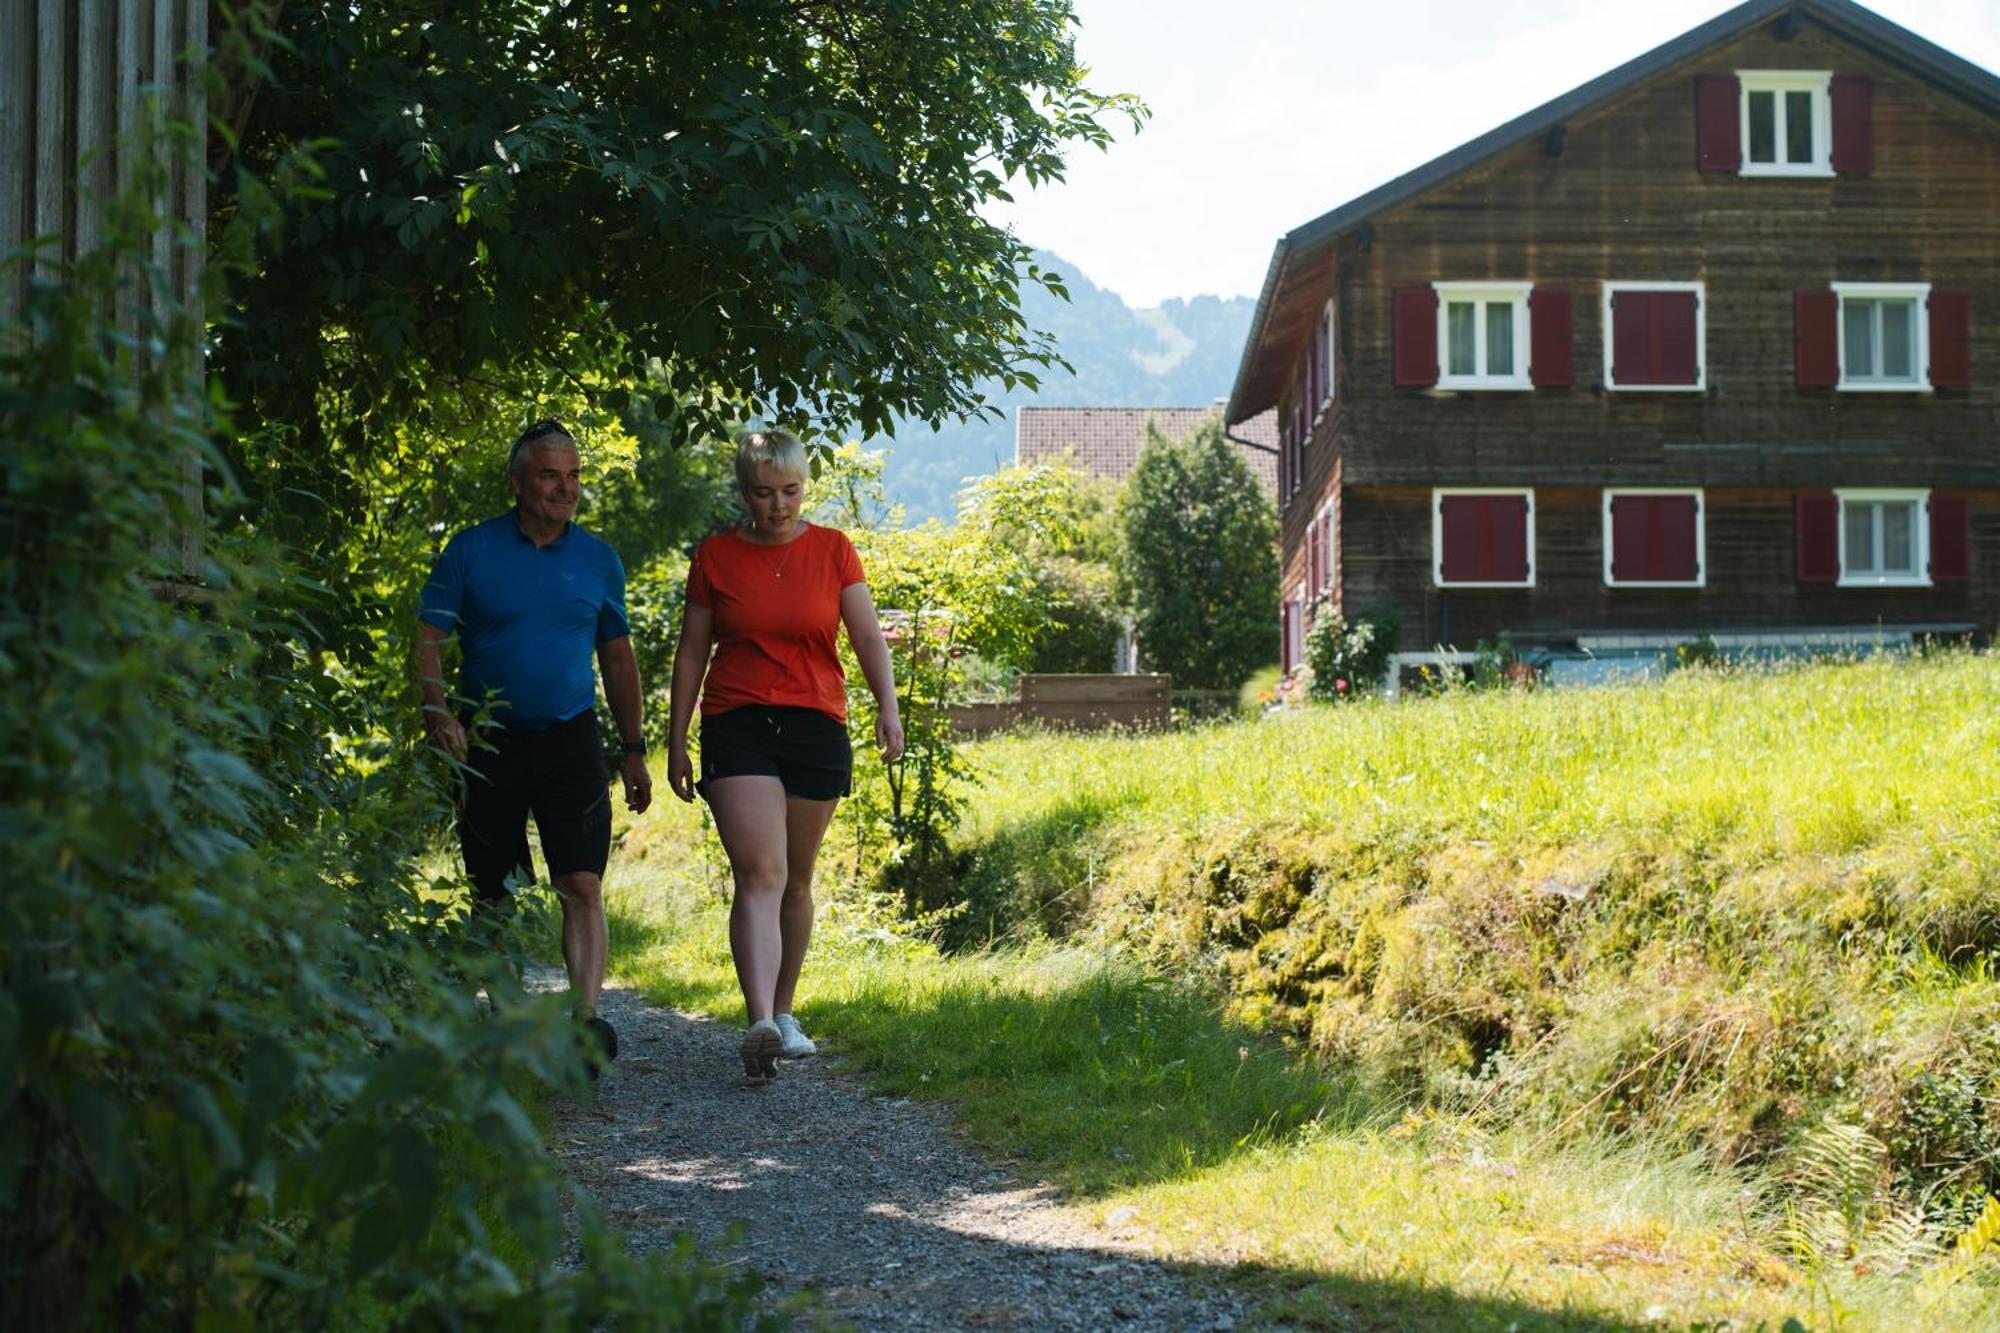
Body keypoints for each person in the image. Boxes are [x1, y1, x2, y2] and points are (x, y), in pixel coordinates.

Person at [666, 430, 903, 1086]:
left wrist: (888, 706)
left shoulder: (833, 551)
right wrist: (676, 735)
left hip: (815, 721)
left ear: (805, 489)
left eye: (791, 492)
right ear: (744, 491)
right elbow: (692, 651)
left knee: (797, 879)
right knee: (761, 872)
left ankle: (786, 1008)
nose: (778, 506)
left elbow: (864, 633)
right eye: (765, 494)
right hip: (736, 719)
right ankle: (760, 1021)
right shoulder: (715, 556)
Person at [417, 420, 652, 1069]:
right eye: (550, 474)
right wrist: (439, 714)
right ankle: (508, 1020)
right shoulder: (471, 550)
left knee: (581, 880)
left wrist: (633, 749)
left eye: (573, 474)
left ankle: (585, 1024)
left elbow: (618, 657)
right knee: (494, 888)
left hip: (573, 736)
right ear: (518, 481)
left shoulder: (599, 559)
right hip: (485, 739)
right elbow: (429, 639)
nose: (565, 487)